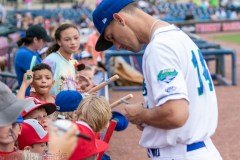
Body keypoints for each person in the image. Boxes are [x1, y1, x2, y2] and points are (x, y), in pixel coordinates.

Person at [92, 0, 222, 160]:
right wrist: (150, 109)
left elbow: (175, 114)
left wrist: (141, 115)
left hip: (180, 154)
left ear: (120, 19)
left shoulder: (159, 47)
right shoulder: (177, 36)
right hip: (194, 150)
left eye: (112, 37)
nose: (117, 46)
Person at [43, 23, 81, 95]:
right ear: (59, 42)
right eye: (67, 39)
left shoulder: (71, 62)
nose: (73, 42)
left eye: (76, 38)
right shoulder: (50, 61)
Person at [14, 24, 51, 96]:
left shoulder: (34, 51)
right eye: (43, 41)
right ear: (35, 40)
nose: (44, 43)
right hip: (29, 97)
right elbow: (41, 74)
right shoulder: (24, 54)